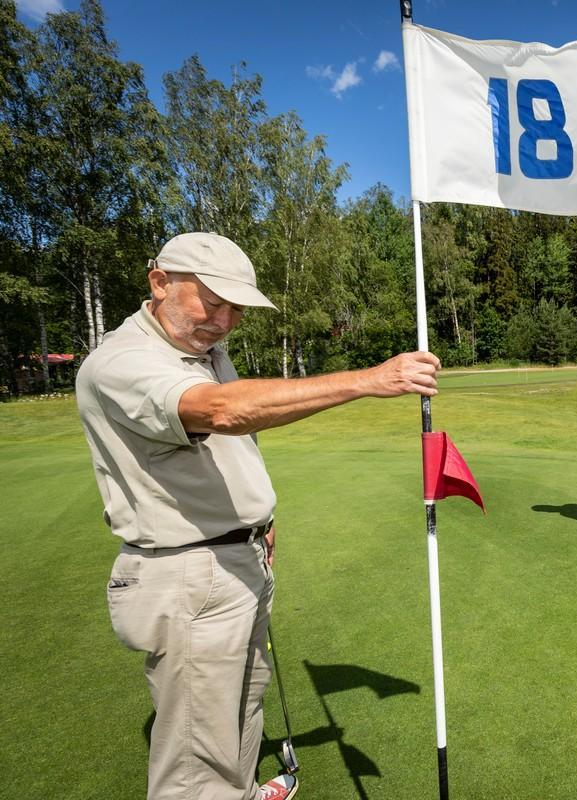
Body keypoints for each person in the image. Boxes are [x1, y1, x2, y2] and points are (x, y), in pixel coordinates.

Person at [75, 232, 440, 800]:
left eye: (236, 308)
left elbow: (223, 449)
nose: (224, 321)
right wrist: (369, 380)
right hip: (187, 573)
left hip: (235, 556)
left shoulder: (202, 350)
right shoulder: (122, 362)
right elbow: (221, 412)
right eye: (212, 303)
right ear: (159, 282)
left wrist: (256, 521)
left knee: (241, 711)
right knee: (196, 767)